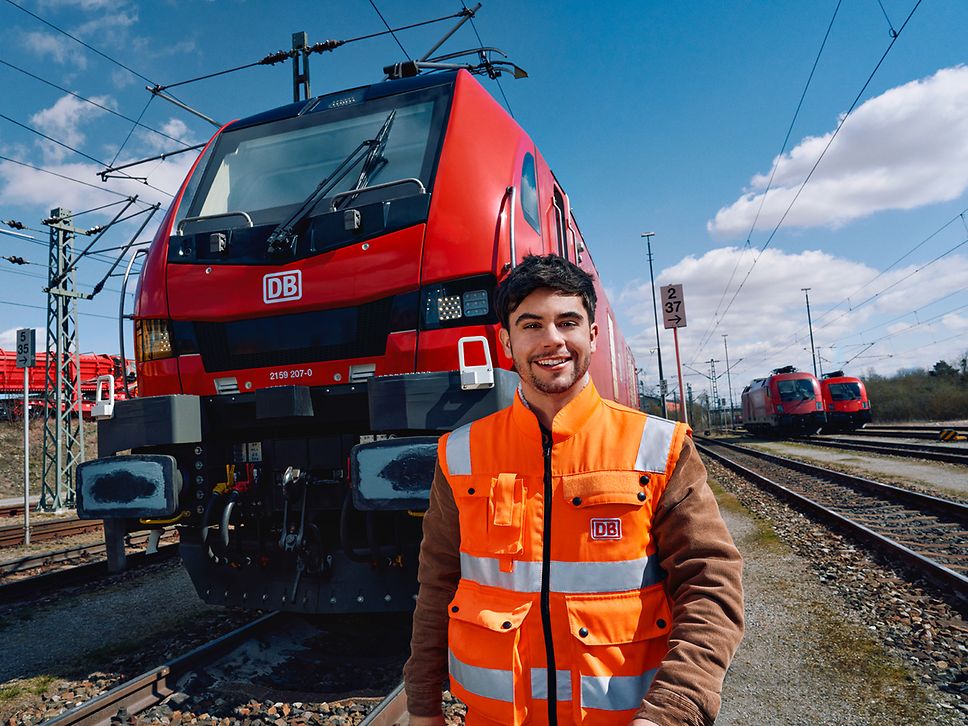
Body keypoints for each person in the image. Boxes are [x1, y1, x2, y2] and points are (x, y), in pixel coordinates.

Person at [404, 254, 744, 726]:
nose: (552, 340)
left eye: (568, 322)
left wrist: (674, 710)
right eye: (531, 325)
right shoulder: (460, 454)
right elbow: (437, 584)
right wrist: (422, 704)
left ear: (593, 335)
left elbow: (711, 582)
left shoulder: (659, 448)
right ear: (506, 341)